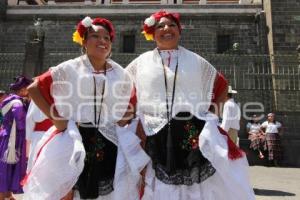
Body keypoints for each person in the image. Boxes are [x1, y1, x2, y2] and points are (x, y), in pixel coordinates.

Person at [126, 10, 255, 200]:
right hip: (151, 134)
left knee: (195, 188)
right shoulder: (140, 63)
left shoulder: (196, 61)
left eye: (172, 25)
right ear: (152, 33)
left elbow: (221, 85)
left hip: (190, 133)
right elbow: (125, 92)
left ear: (179, 31)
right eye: (160, 26)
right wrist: (129, 122)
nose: (166, 29)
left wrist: (209, 115)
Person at [24, 16, 148, 200]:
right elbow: (34, 88)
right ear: (84, 41)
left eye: (107, 38)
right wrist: (58, 120)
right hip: (74, 139)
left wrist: (120, 121)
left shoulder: (120, 74)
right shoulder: (69, 68)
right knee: (70, 191)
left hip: (109, 141)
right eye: (95, 36)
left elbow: (132, 99)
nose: (102, 41)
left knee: (108, 192)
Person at [0, 76, 32, 200]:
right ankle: (3, 195)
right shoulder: (18, 104)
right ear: (23, 89)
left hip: (7, 137)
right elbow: (20, 123)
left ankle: (7, 194)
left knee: (7, 166)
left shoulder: (9, 101)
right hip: (13, 139)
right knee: (6, 167)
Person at [25, 101, 53, 172]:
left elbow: (29, 119)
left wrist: (28, 139)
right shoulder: (60, 95)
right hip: (55, 135)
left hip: (39, 136)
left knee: (37, 164)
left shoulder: (37, 94)